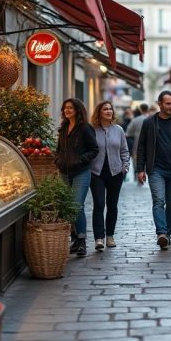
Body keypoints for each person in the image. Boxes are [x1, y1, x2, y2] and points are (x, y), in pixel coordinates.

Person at [136, 91, 171, 249]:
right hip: (156, 170)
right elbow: (141, 147)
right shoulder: (149, 123)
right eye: (168, 103)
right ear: (159, 104)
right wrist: (140, 169)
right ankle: (161, 232)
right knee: (159, 201)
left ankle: (167, 232)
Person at [54, 98, 99, 258]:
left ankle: (82, 241)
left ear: (78, 110)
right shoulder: (63, 128)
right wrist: (58, 160)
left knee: (76, 205)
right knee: (67, 207)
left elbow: (94, 149)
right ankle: (74, 239)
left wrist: (79, 160)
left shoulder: (85, 128)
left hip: (81, 172)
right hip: (64, 172)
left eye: (70, 108)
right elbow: (58, 149)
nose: (67, 110)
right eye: (65, 108)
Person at [90, 101, 130, 250]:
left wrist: (125, 166)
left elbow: (125, 150)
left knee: (112, 205)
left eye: (110, 109)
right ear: (99, 112)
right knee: (99, 204)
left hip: (115, 173)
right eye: (105, 109)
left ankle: (110, 236)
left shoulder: (118, 130)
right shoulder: (92, 130)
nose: (108, 111)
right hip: (96, 173)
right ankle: (99, 238)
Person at [125, 103, 149, 168]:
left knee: (138, 169)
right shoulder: (153, 119)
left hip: (137, 148)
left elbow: (127, 133)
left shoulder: (135, 120)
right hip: (151, 149)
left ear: (140, 110)